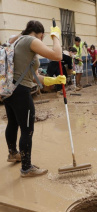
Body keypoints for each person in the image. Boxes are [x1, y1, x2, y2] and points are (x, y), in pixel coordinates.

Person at [3, 20, 66, 177]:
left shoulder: (17, 40)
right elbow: (58, 55)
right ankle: (26, 168)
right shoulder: (31, 40)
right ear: (41, 35)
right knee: (27, 129)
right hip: (21, 93)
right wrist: (56, 37)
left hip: (9, 90)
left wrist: (53, 80)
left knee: (12, 123)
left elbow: (33, 77)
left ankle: (13, 153)